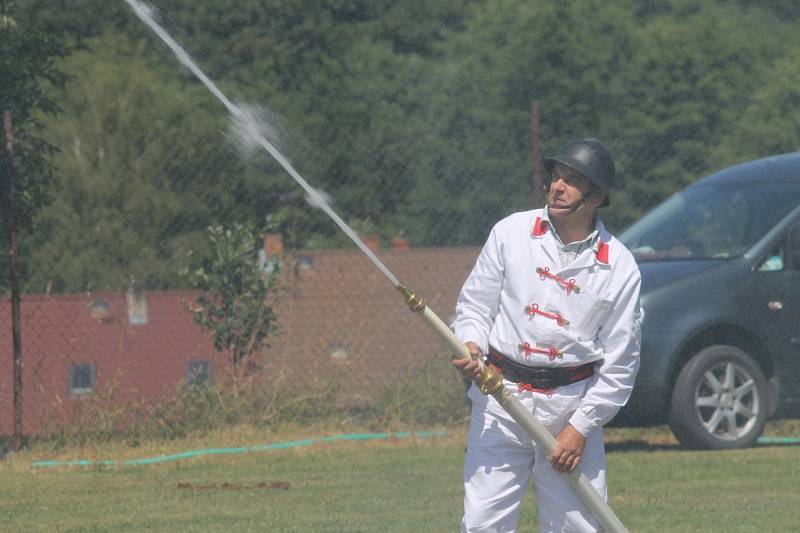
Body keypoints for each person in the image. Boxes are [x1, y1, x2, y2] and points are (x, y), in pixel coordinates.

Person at [451, 138, 643, 532]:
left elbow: (620, 364)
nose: (558, 186)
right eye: (556, 177)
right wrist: (470, 343)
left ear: (597, 195)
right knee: (483, 524)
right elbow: (474, 306)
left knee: (577, 526)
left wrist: (581, 428)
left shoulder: (621, 267)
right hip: (499, 400)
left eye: (572, 180)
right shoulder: (510, 233)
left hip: (570, 412)